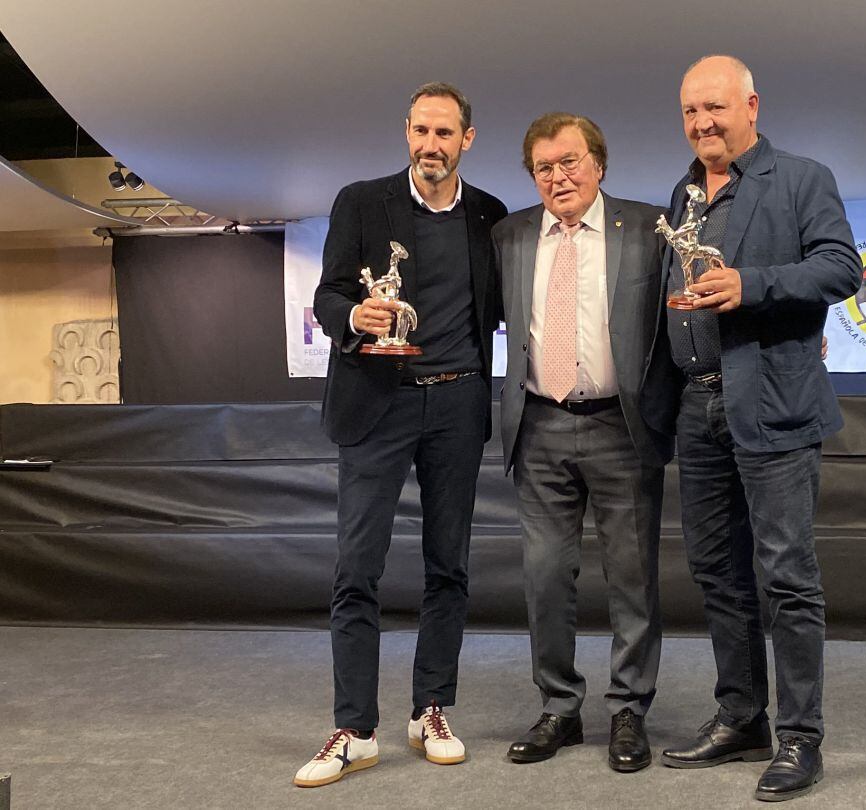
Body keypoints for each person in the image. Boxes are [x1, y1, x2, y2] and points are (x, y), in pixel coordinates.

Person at [657, 56, 861, 803]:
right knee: (717, 573)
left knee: (786, 578)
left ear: (751, 105)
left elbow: (842, 268)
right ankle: (742, 716)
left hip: (774, 405)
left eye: (714, 108)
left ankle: (800, 737)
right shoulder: (681, 196)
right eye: (690, 112)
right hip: (696, 409)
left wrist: (754, 285)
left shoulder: (802, 178)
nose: (703, 123)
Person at [294, 82, 507, 788]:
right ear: (406, 132)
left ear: (466, 140)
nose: (430, 145)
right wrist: (356, 318)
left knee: (449, 567)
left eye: (444, 133)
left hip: (456, 404)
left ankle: (431, 708)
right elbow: (329, 293)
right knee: (357, 570)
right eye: (421, 130)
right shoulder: (361, 202)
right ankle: (355, 729)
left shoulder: (489, 216)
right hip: (376, 404)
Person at [493, 113, 680, 773]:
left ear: (598, 164)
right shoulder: (509, 235)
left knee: (632, 578)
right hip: (539, 424)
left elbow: (678, 320)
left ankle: (629, 709)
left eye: (569, 161)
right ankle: (560, 709)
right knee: (545, 577)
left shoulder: (648, 229)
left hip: (620, 427)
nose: (558, 176)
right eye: (544, 167)